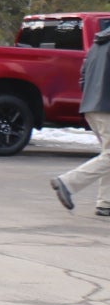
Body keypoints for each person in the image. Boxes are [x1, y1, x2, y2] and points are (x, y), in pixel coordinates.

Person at [52, 23, 110, 217]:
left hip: (92, 106)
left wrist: (92, 97)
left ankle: (105, 203)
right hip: (106, 108)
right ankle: (68, 183)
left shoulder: (97, 44)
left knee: (107, 155)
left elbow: (83, 77)